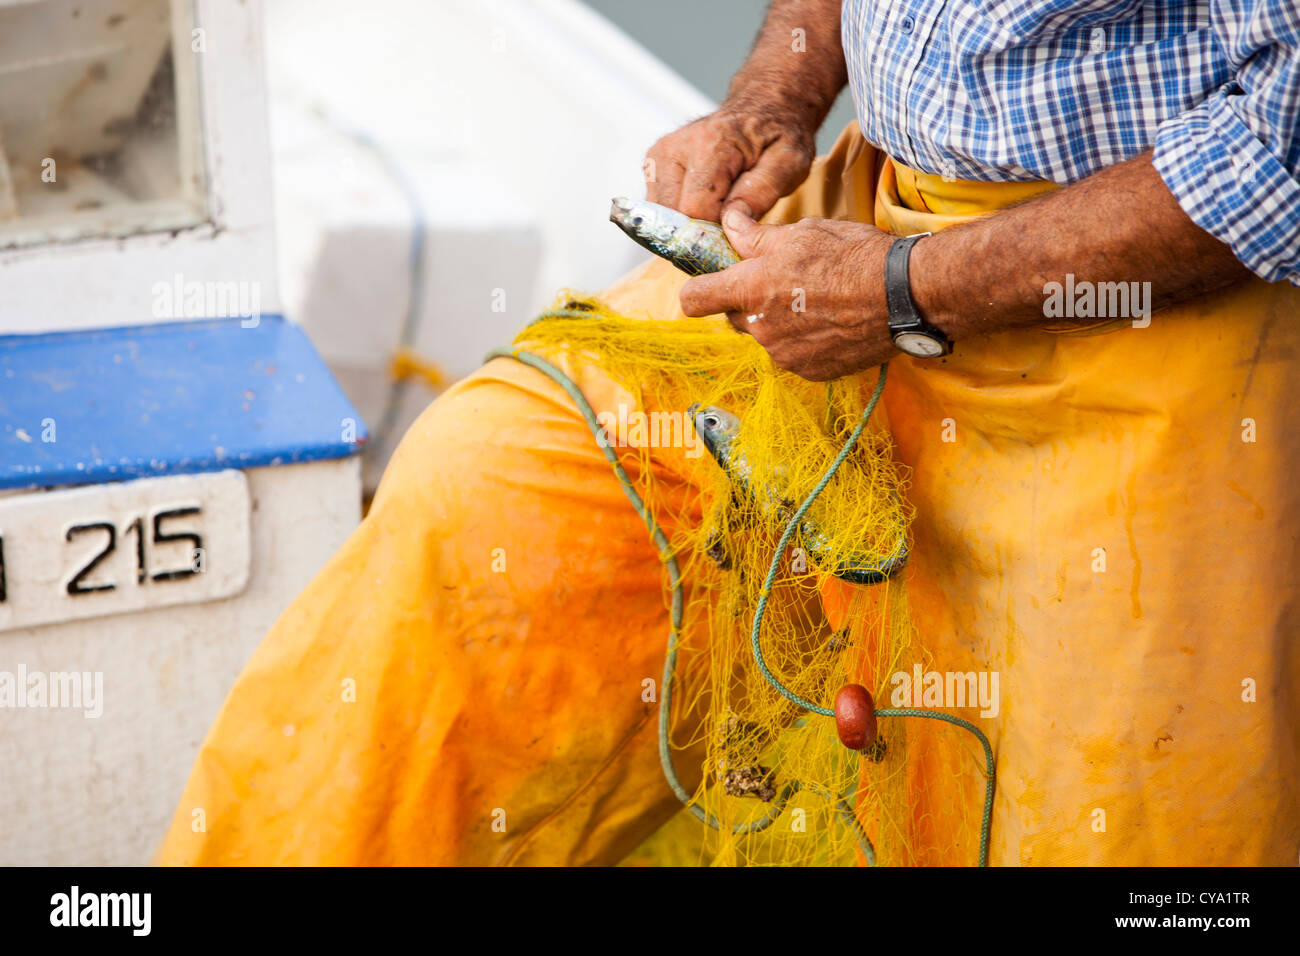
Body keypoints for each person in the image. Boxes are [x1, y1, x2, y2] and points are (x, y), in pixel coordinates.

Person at [157, 0, 1300, 865]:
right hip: (854, 228)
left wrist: (909, 287)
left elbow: (1282, 145)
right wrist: (774, 97)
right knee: (478, 488)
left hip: (1152, 306)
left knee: (1087, 810)